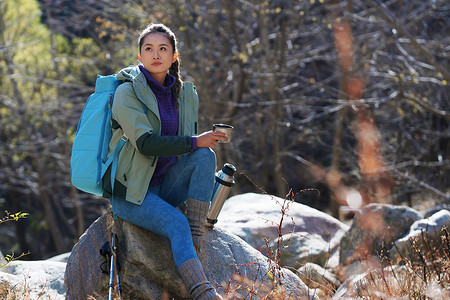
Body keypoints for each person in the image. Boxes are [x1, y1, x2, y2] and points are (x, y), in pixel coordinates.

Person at [102, 23, 227, 300]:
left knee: (205, 156)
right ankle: (202, 293)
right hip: (132, 195)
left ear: (173, 57)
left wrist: (199, 143)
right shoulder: (127, 93)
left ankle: (197, 237)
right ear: (139, 57)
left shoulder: (178, 93)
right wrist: (196, 140)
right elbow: (145, 144)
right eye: (148, 49)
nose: (155, 54)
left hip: (164, 187)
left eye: (162, 49)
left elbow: (188, 148)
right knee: (176, 224)